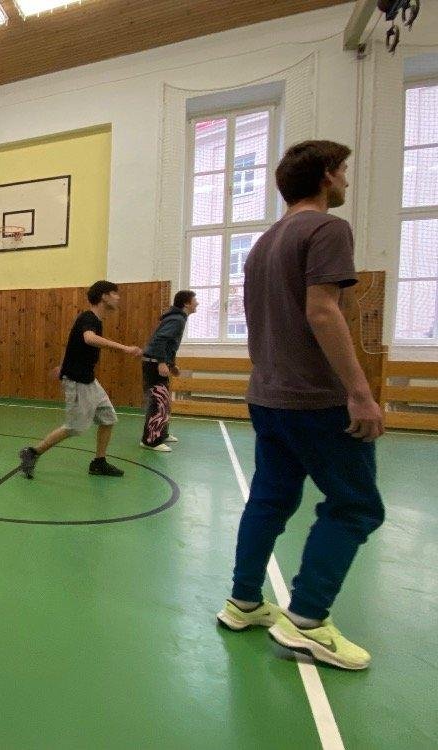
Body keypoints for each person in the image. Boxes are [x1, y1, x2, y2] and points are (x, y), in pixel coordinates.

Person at [216, 141, 385, 671]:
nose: (347, 182)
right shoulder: (327, 229)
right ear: (326, 176)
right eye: (344, 172)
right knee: (356, 506)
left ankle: (244, 601)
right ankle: (308, 621)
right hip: (315, 399)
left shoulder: (262, 244)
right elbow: (322, 311)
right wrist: (359, 392)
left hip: (268, 397)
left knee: (269, 499)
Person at [19, 281, 142, 479]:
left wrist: (63, 365)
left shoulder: (94, 320)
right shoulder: (88, 318)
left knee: (108, 417)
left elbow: (74, 344)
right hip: (77, 382)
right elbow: (88, 339)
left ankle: (99, 463)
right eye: (114, 293)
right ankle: (32, 452)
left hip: (89, 380)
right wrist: (125, 348)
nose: (118, 297)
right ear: (104, 297)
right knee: (74, 427)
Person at [140, 290, 197, 451]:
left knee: (164, 401)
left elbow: (169, 345)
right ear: (186, 303)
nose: (197, 303)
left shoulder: (178, 318)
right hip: (153, 363)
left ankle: (161, 433)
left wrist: (171, 364)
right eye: (194, 300)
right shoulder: (177, 319)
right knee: (158, 401)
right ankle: (150, 441)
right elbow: (160, 340)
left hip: (157, 362)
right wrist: (160, 362)